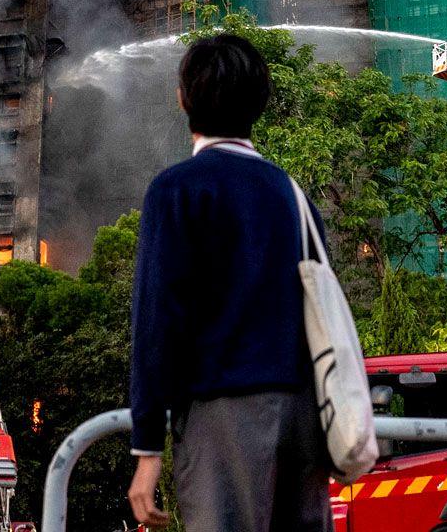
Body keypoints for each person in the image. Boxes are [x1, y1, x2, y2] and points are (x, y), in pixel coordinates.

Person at [127, 33, 331, 532]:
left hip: (224, 420)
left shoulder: (176, 191)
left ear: (183, 98)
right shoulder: (294, 195)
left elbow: (157, 322)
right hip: (305, 422)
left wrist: (148, 448)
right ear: (260, 104)